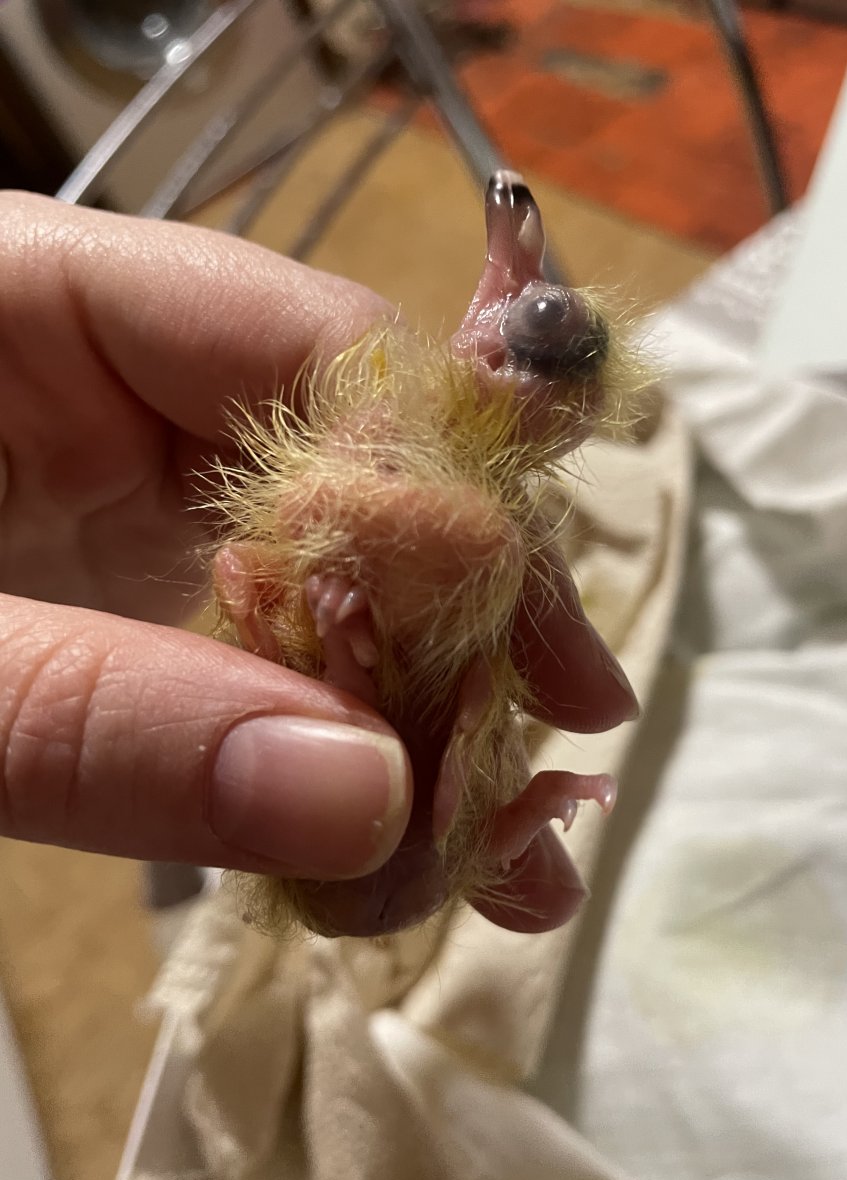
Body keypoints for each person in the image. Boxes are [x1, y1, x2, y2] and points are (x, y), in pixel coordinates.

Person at [0, 190, 634, 892]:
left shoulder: (459, 523)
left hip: (393, 801)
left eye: (529, 330)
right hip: (391, 803)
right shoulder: (419, 480)